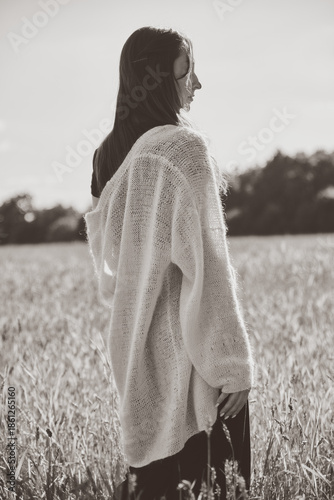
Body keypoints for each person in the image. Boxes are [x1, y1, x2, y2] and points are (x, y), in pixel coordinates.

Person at [84, 26, 254, 500]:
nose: (197, 84)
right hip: (197, 366)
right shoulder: (184, 149)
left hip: (136, 356)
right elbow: (208, 269)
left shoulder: (105, 157)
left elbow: (113, 269)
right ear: (160, 78)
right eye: (187, 72)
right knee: (219, 490)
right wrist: (233, 365)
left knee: (152, 489)